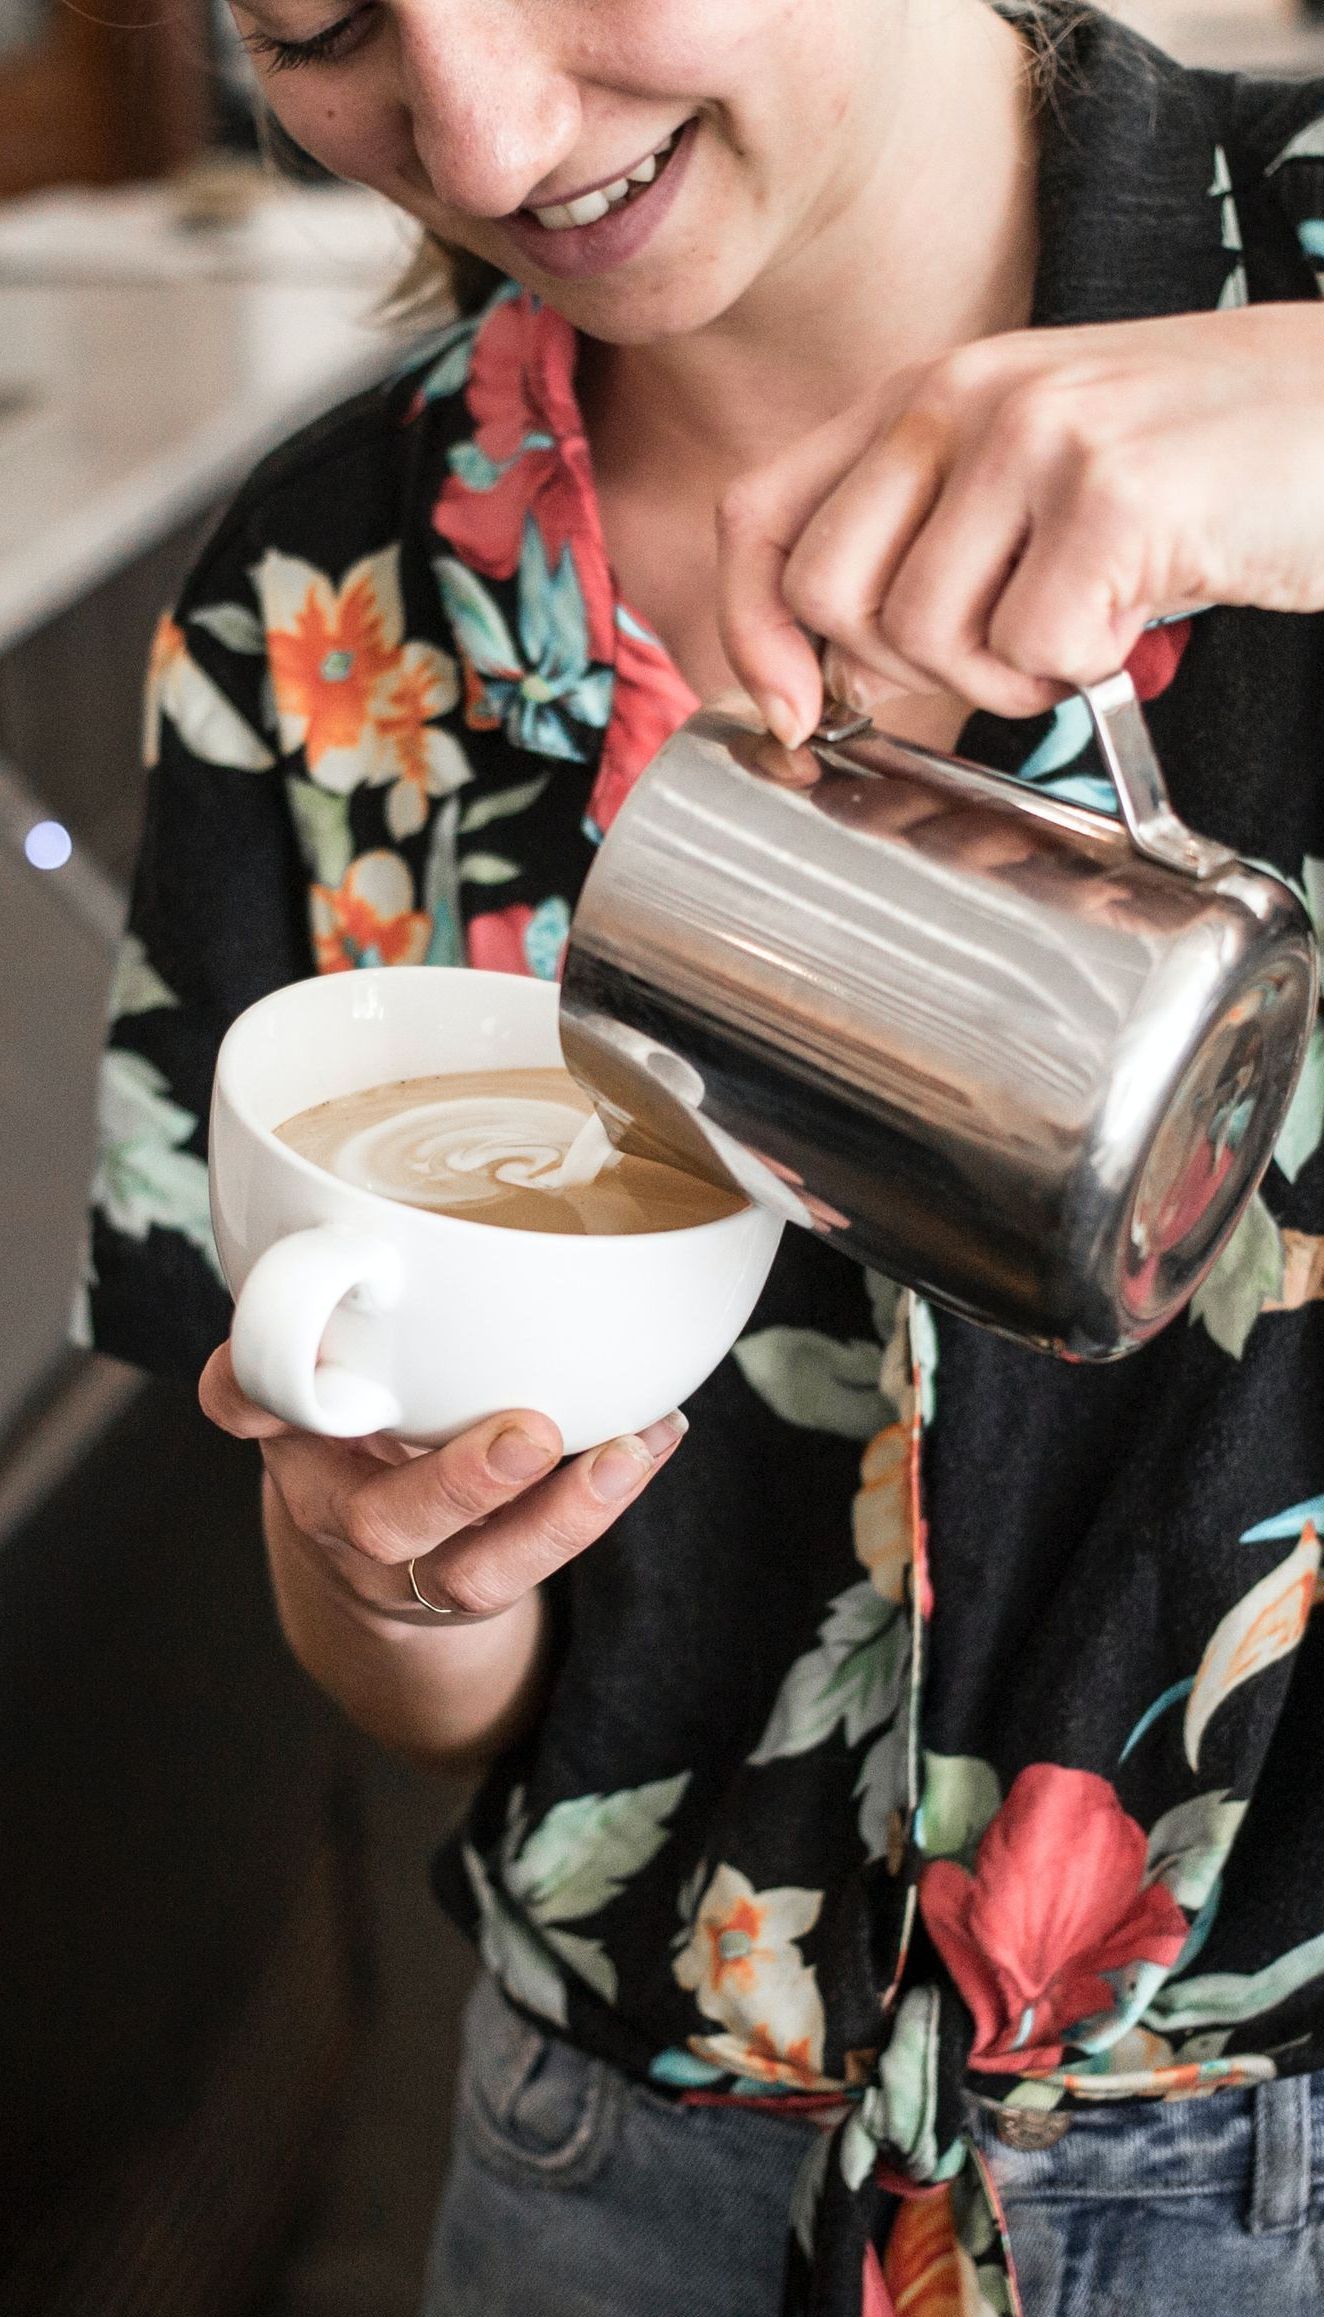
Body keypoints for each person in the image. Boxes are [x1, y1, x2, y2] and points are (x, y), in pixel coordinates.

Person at [84, 0, 1324, 2309]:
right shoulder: (316, 598)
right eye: (320, 23)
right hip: (608, 2163)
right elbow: (423, 1666)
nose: (476, 125)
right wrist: (387, 1569)